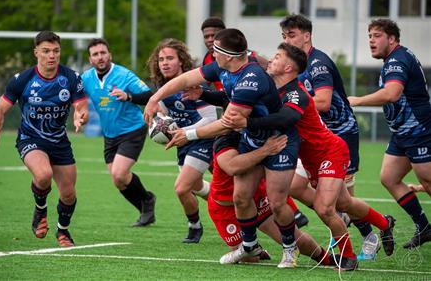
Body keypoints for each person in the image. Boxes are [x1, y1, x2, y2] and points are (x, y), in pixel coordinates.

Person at [222, 43, 396, 271]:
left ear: (288, 68)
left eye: (277, 57)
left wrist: (247, 122)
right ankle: (384, 223)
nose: (271, 60)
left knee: (325, 208)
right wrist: (204, 92)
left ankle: (347, 257)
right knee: (344, 203)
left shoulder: (297, 94)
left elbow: (284, 120)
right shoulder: (273, 87)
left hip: (330, 151)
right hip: (309, 158)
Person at [144, 29, 308, 269]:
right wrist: (154, 98)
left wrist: (187, 134)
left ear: (228, 55)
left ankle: (289, 247)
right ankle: (249, 246)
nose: (211, 53)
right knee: (240, 198)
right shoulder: (223, 66)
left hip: (278, 141)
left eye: (215, 50)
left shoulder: (250, 80)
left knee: (277, 203)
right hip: (253, 138)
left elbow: (227, 123)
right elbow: (187, 79)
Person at [279, 14, 378, 261]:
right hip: (317, 136)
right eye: (283, 36)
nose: (287, 40)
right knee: (296, 186)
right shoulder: (296, 65)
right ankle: (337, 216)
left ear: (307, 36)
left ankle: (371, 235)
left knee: (344, 200)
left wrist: (289, 105)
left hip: (341, 134)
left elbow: (322, 102)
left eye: (291, 35)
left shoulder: (318, 63)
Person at [0, 31, 88, 247]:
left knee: (69, 194)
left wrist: (80, 116)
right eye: (46, 51)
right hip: (30, 138)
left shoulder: (71, 78)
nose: (52, 55)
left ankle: (63, 231)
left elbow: (81, 105)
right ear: (36, 53)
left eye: (56, 51)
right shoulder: (22, 80)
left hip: (59, 141)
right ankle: (40, 210)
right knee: (43, 175)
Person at [348, 19, 431, 249]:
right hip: (402, 134)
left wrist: (358, 100)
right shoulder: (393, 60)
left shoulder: (397, 60)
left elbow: (392, 93)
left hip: (419, 131)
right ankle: (424, 227)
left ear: (392, 39)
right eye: (369, 36)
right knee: (389, 178)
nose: (371, 41)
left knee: (428, 180)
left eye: (377, 36)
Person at [210, 131, 336, 266]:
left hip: (257, 198)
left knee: (296, 240)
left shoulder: (263, 133)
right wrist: (265, 150)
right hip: (224, 208)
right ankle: (254, 247)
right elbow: (232, 168)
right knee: (249, 259)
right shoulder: (226, 140)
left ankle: (327, 259)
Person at [147, 38, 217, 243]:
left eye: (170, 58)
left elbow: (212, 119)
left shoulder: (193, 84)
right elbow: (167, 117)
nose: (165, 63)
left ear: (182, 61)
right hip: (183, 142)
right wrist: (159, 123)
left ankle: (194, 226)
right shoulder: (163, 87)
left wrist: (183, 131)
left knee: (181, 187)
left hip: (204, 139)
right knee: (195, 187)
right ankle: (230, 204)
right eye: (161, 59)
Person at [81, 38, 156, 227]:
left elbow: (149, 96)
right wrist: (78, 114)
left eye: (103, 53)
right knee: (118, 180)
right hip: (110, 134)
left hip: (132, 129)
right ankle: (145, 208)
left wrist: (128, 96)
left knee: (120, 173)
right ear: (90, 59)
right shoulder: (86, 78)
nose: (100, 57)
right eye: (95, 54)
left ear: (109, 55)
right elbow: (78, 98)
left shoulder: (124, 75)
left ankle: (147, 202)